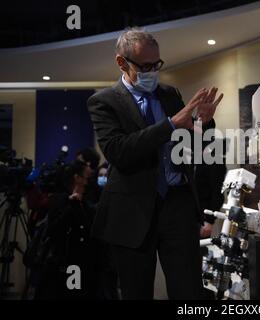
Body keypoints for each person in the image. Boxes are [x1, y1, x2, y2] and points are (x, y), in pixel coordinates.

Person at [87, 27, 223, 299]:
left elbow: (192, 150)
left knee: (189, 292)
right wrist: (171, 124)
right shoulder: (103, 102)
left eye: (156, 64)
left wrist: (203, 124)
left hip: (178, 206)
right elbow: (119, 152)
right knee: (136, 291)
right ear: (121, 62)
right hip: (132, 211)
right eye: (145, 66)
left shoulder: (170, 95)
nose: (152, 71)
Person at [34, 161, 100, 300]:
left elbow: (89, 227)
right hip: (67, 264)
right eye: (86, 178)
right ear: (77, 178)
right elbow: (54, 230)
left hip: (83, 265)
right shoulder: (61, 200)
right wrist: (72, 206)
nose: (89, 182)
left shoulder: (86, 202)